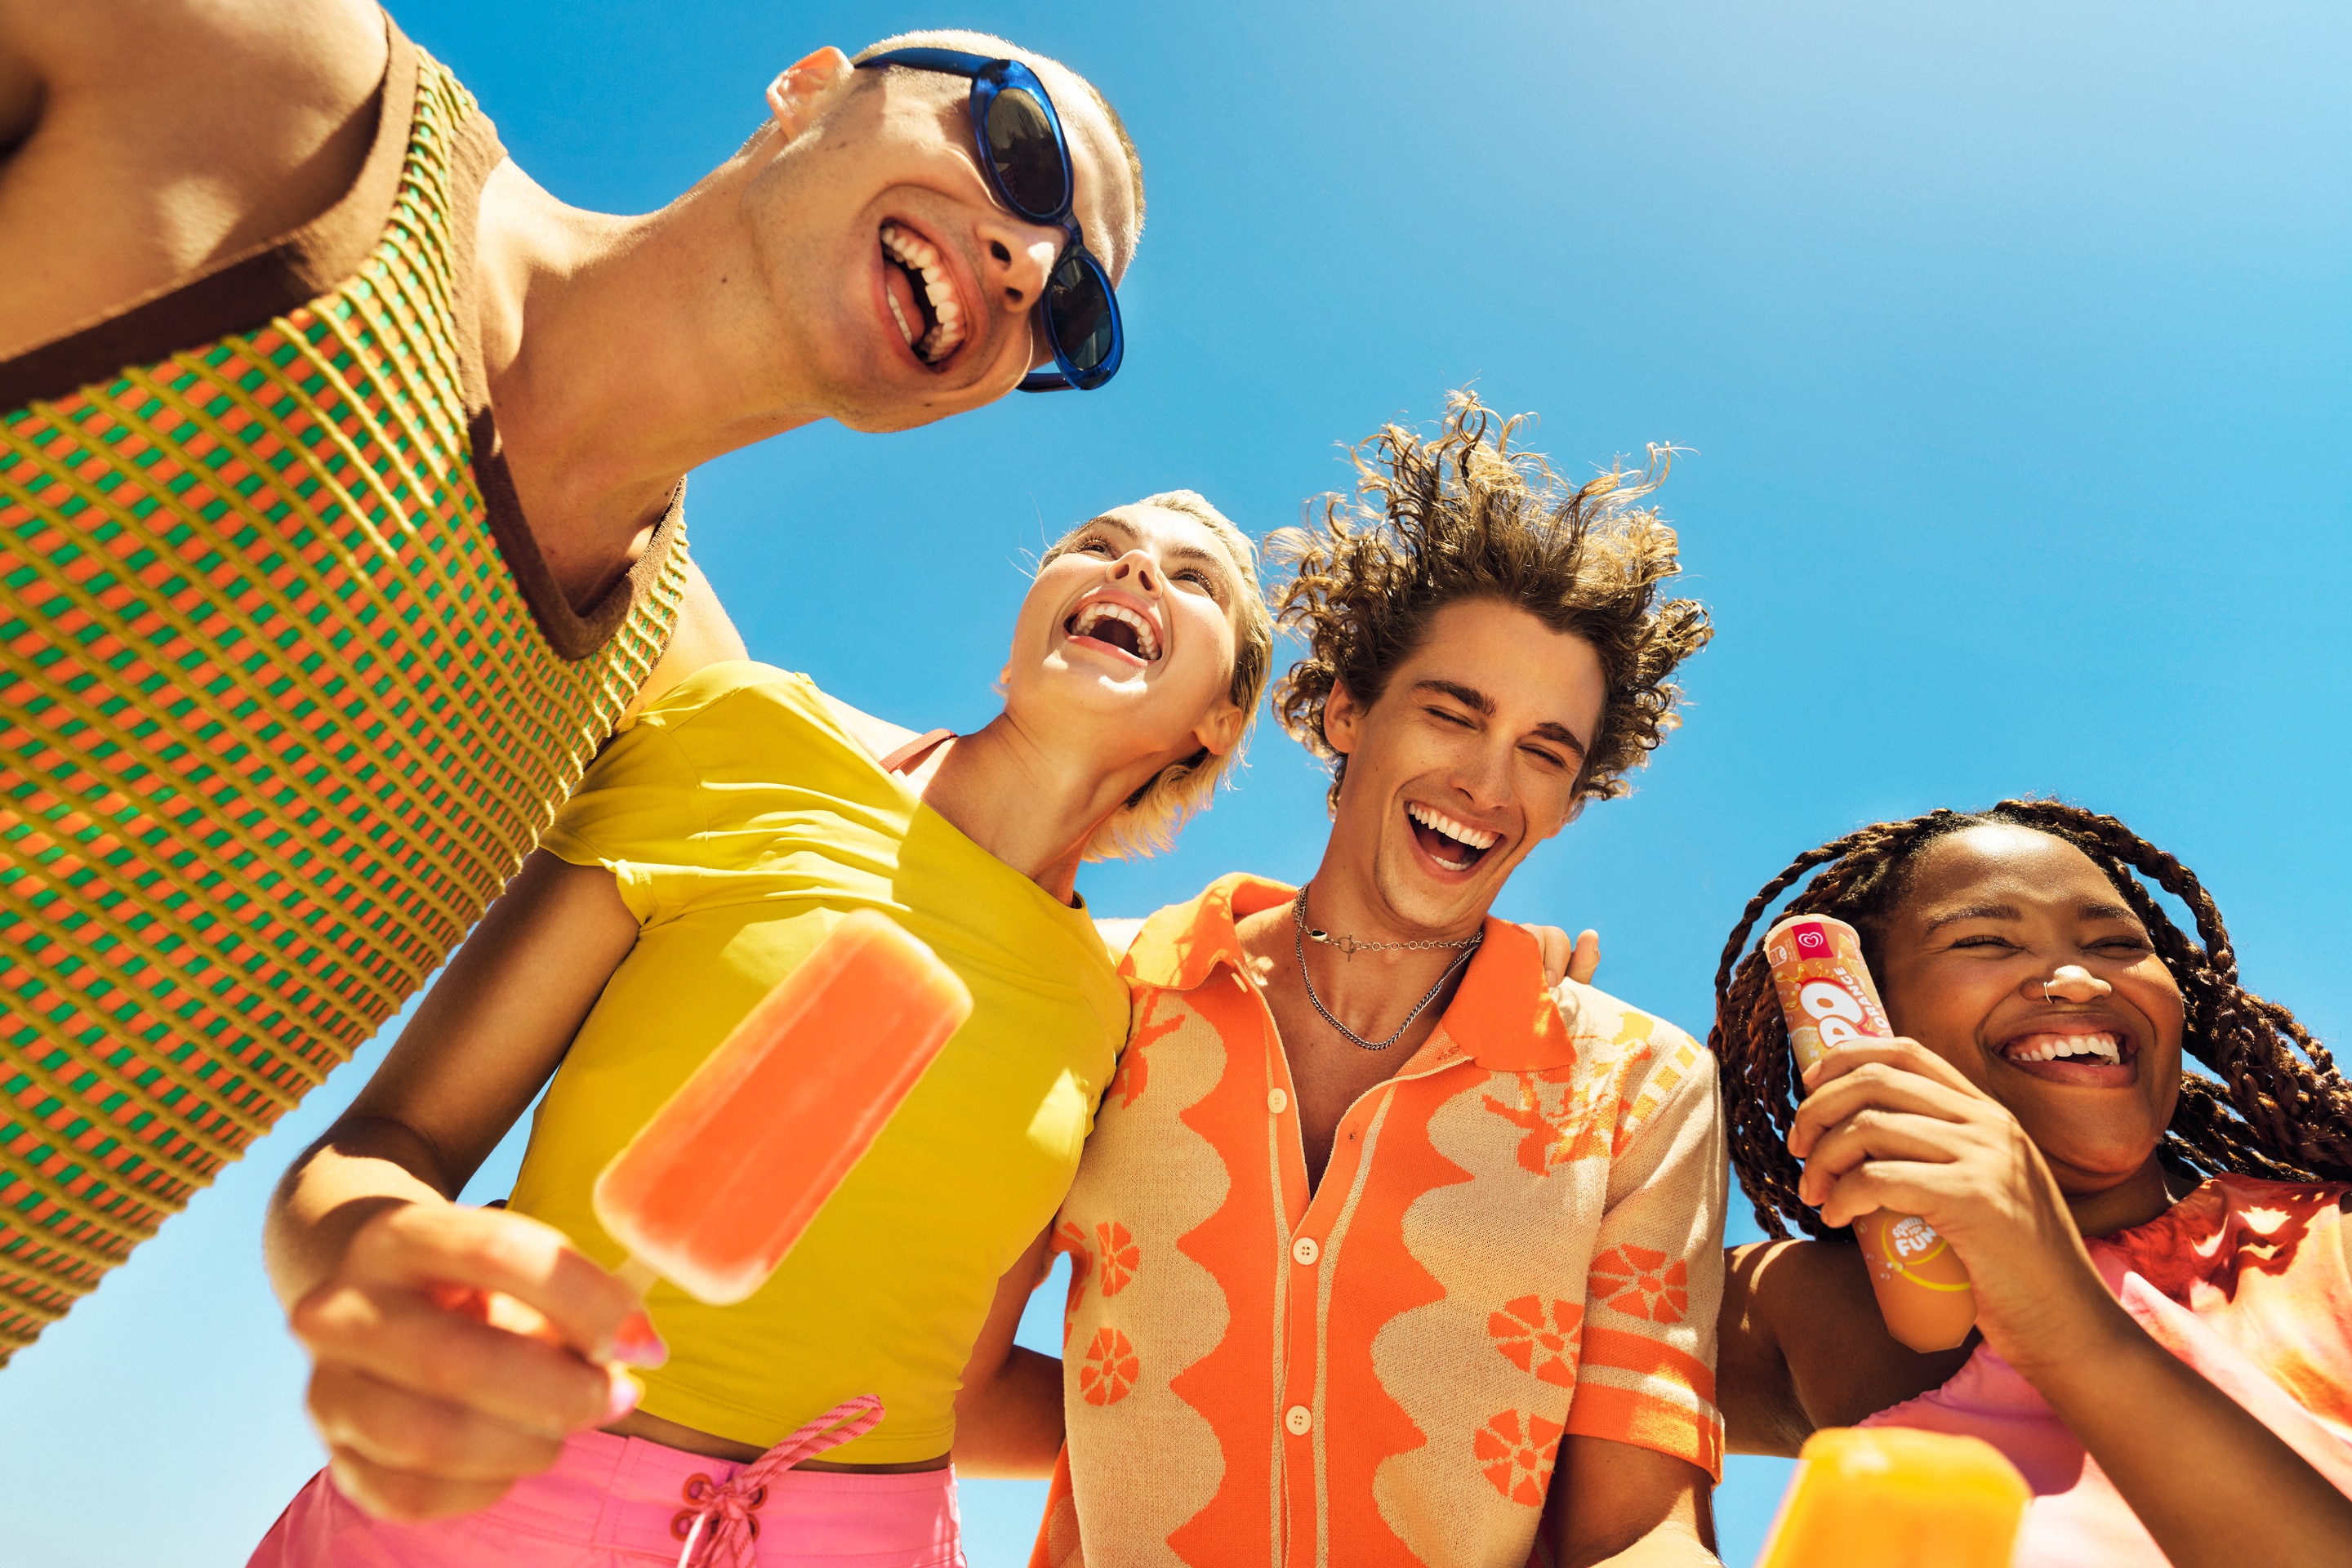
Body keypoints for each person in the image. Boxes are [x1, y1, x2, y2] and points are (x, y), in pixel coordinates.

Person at [0, 2, 1143, 1356]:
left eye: (1065, 312)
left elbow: (950, 861)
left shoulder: (673, 705)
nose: (1027, 260)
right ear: (808, 86)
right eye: (1017, 147)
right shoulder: (271, 84)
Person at [252, 491, 1266, 1566]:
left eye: (1191, 578)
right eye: (1094, 548)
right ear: (1015, 652)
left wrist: (1244, 1428)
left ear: (1217, 726)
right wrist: (378, 1266)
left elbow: (962, 1392)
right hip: (493, 1492)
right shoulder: (749, 742)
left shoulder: (1111, 1007)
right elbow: (393, 1138)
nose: (1135, 571)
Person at [1024, 394, 1725, 1568]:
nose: (1488, 783)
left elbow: (1642, 1527)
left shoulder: (1642, 1090)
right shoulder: (1112, 989)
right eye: (1454, 712)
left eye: (1546, 753)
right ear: (1346, 710)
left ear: (1568, 803)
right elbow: (946, 1353)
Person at [1710, 800, 2352, 1567]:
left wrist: (2062, 1313)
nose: (2078, 979)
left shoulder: (2327, 1244)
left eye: (2117, 943)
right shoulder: (1813, 1308)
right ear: (1869, 1018)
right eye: (1985, 940)